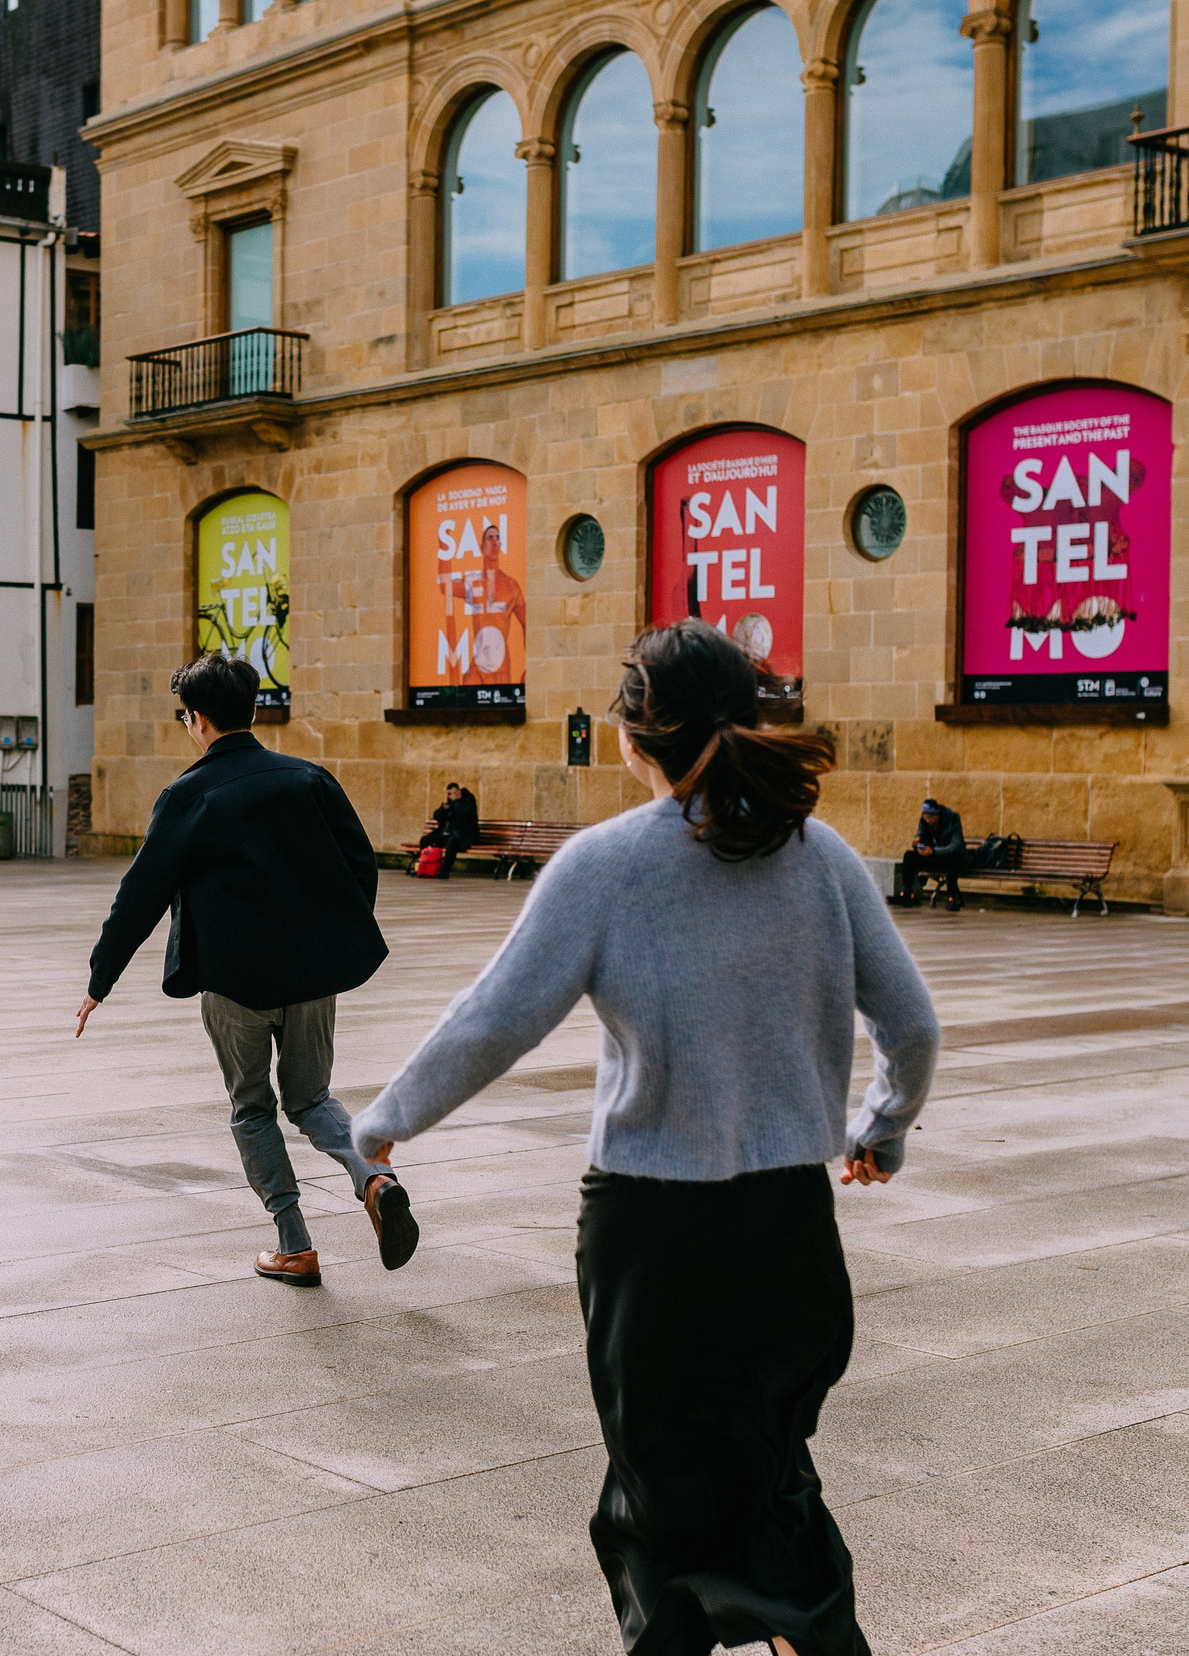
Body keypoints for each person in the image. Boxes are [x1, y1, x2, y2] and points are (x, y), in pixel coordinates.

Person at [351, 619, 939, 1656]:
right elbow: (911, 1021)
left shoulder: (604, 864)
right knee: (771, 1464)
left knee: (654, 1471)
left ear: (633, 736)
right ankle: (806, 1631)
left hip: (650, 1227)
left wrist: (386, 1120)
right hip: (785, 1216)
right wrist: (880, 1130)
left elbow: (495, 1020)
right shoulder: (822, 855)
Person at [76, 652, 421, 1287]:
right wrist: (329, 934)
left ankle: (295, 1245)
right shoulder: (308, 779)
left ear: (196, 720)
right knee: (312, 1098)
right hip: (311, 976)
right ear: (254, 711)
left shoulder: (187, 796)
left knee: (252, 1107)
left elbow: (141, 893)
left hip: (234, 980)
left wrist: (101, 980)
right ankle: (374, 1177)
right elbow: (359, 865)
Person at [890, 797, 966, 911]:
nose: (927, 820)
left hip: (947, 855)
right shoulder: (924, 822)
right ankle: (906, 892)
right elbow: (920, 834)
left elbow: (955, 846)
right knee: (909, 856)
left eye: (929, 817)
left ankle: (951, 896)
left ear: (937, 816)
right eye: (925, 817)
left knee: (953, 859)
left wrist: (934, 851)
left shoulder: (952, 820)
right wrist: (917, 843)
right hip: (931, 856)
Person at [414, 781, 479, 877]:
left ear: (458, 792)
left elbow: (465, 815)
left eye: (450, 793)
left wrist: (455, 803)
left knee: (451, 842)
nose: (449, 796)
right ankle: (424, 867)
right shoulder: (450, 803)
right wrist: (444, 808)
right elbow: (437, 816)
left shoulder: (468, 801)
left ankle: (444, 871)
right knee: (425, 840)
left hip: (464, 836)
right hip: (447, 834)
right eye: (448, 794)